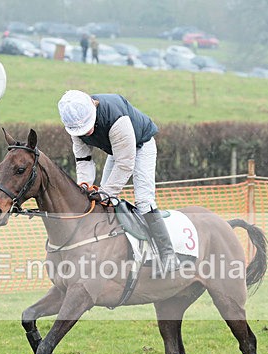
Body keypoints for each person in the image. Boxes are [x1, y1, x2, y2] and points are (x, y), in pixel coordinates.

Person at [57, 90, 179, 272]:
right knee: (103, 203)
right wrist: (84, 185)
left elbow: (125, 164)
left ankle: (168, 254)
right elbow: (84, 161)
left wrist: (106, 192)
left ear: (93, 109)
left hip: (141, 145)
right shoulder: (75, 125)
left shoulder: (115, 118)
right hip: (117, 150)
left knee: (143, 201)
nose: (87, 132)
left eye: (88, 126)